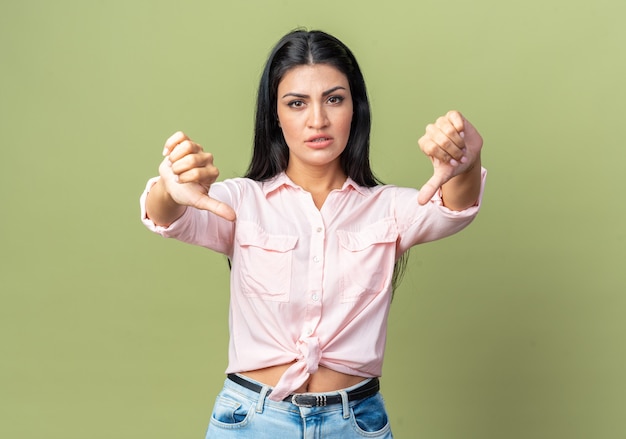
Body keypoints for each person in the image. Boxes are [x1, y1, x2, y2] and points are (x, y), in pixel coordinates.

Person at [140, 29, 486, 438]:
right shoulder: (242, 201)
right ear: (275, 115)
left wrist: (467, 159)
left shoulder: (387, 208)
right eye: (297, 103)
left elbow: (455, 207)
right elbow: (168, 216)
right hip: (250, 422)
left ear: (355, 109)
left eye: (334, 99)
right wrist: (167, 188)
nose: (317, 120)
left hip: (354, 424)